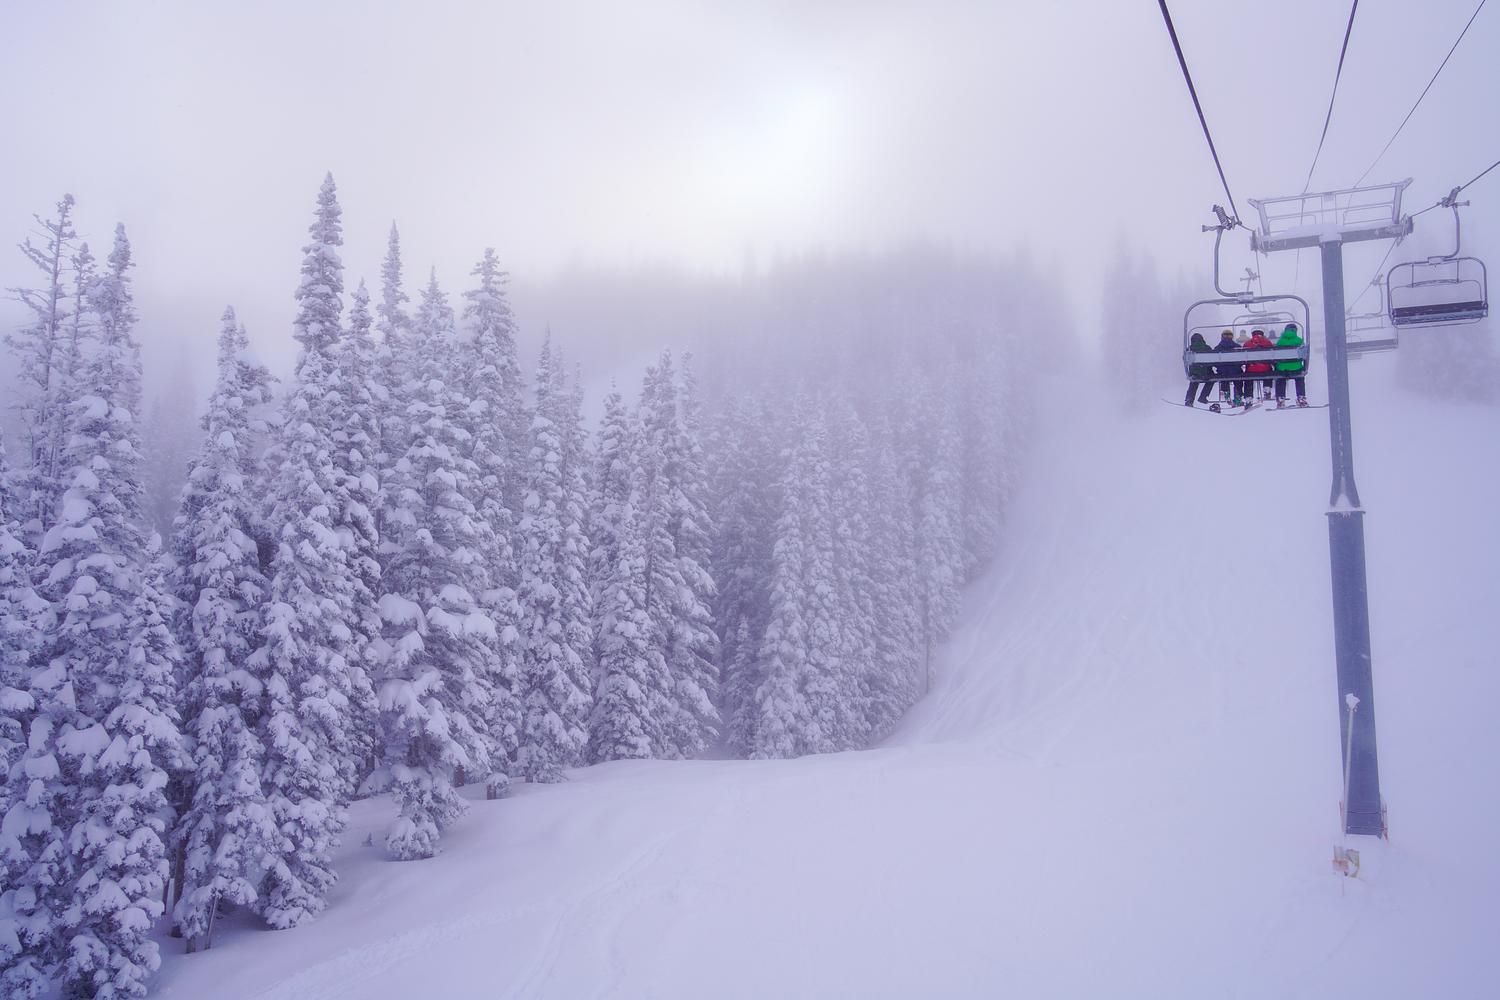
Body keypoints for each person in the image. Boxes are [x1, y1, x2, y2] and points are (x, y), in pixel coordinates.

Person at [1273, 322, 1308, 407]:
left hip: (1282, 367)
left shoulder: (1280, 341)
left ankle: (1280, 398)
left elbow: (1276, 354)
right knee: (1299, 378)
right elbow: (1304, 354)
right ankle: (1301, 397)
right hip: (1296, 367)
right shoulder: (1299, 340)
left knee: (1280, 379)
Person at [1212, 329, 1243, 406]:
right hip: (1235, 371)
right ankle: (1238, 397)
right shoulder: (1237, 347)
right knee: (1238, 380)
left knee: (1224, 377)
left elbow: (1214, 361)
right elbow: (1242, 360)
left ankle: (1225, 392)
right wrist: (1237, 365)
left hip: (1223, 372)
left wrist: (1220, 367)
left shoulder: (1217, 348)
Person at [1243, 328, 1276, 400]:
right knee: (1269, 369)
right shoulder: (1268, 342)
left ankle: (1248, 397)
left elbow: (1244, 358)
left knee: (1247, 376)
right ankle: (1267, 388)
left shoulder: (1247, 343)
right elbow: (1272, 356)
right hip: (1265, 369)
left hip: (1251, 369)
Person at [1184, 332, 1215, 405]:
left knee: (1194, 382)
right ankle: (1203, 396)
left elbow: (1186, 360)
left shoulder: (1189, 349)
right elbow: (1212, 360)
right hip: (1206, 373)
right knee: (1212, 380)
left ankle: (1189, 400)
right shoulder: (1207, 348)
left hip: (1195, 374)